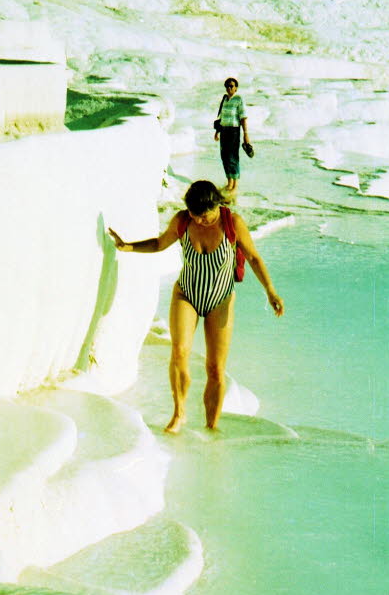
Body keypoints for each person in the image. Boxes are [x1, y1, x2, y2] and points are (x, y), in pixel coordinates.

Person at [108, 180, 284, 434]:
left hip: (220, 300)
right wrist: (128, 246)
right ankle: (179, 414)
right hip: (187, 294)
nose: (201, 221)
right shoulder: (183, 221)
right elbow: (159, 244)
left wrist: (271, 291)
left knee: (215, 368)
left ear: (217, 206)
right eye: (195, 216)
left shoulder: (232, 223)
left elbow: (254, 258)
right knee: (179, 351)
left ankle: (212, 426)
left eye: (206, 216)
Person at [214, 77, 251, 199]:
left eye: (232, 86)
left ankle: (235, 184)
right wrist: (217, 132)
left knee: (232, 156)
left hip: (234, 131)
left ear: (236, 88)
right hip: (224, 130)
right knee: (224, 156)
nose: (229, 88)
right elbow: (221, 117)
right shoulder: (224, 99)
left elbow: (243, 117)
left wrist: (246, 134)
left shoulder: (238, 100)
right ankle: (229, 181)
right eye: (227, 86)